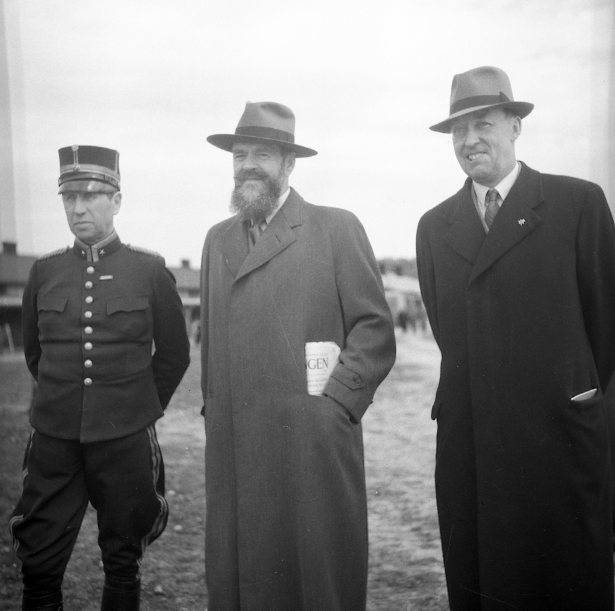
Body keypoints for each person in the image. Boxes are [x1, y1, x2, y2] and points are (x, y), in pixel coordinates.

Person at [416, 65, 615, 610]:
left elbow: (606, 333)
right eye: (458, 129)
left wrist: (573, 396)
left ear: (515, 127)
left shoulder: (577, 204)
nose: (469, 140)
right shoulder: (434, 227)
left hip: (560, 440)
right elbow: (449, 335)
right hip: (472, 446)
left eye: (483, 123)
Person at [200, 101, 396, 610]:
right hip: (235, 448)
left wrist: (334, 410)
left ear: (289, 164)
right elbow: (212, 346)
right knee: (242, 580)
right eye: (240, 155)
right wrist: (215, 412)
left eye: (262, 155)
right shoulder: (217, 240)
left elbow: (374, 329)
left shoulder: (335, 228)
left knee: (316, 578)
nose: (248, 165)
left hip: (310, 447)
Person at [9, 145, 190, 611]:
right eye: (69, 197)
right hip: (55, 439)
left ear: (116, 201)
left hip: (125, 439)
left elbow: (174, 355)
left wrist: (137, 407)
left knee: (123, 558)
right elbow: (36, 354)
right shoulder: (44, 271)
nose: (78, 208)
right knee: (39, 560)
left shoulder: (148, 270)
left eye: (90, 196)